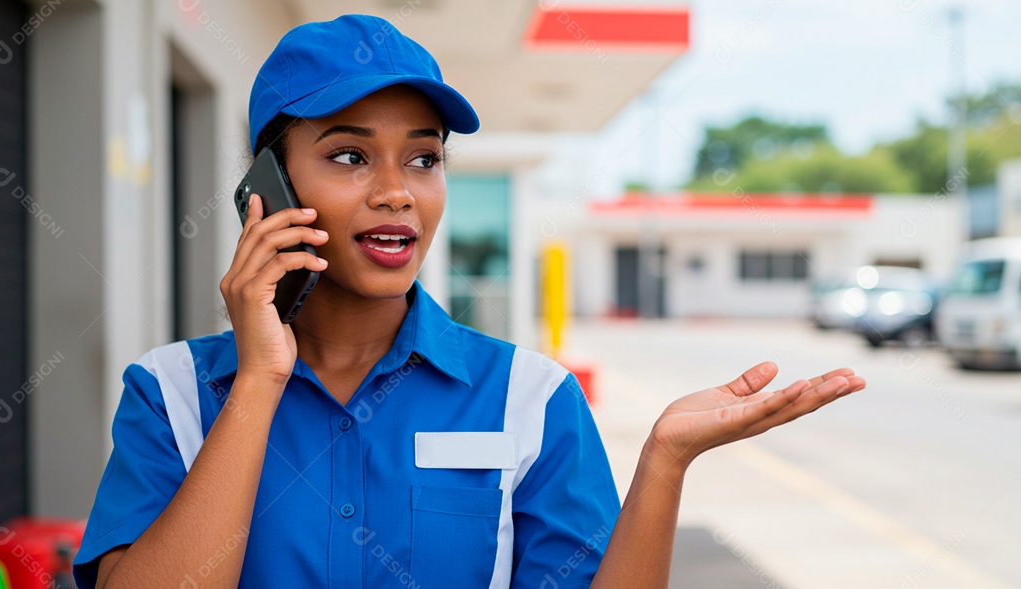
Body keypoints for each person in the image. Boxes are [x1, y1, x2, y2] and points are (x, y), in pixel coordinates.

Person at [71, 14, 865, 589]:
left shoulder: (529, 399)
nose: (396, 193)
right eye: (349, 154)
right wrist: (257, 381)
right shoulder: (171, 395)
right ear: (267, 192)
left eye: (424, 158)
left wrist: (663, 463)